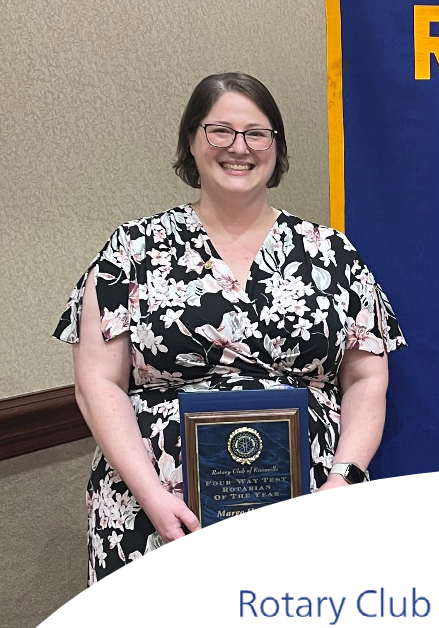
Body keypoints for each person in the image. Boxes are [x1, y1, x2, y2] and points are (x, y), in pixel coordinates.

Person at [54, 72, 405, 584]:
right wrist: (152, 496)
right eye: (219, 130)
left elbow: (367, 379)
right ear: (191, 142)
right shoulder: (131, 250)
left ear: (276, 148)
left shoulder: (331, 252)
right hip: (154, 510)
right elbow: (96, 383)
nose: (239, 147)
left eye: (257, 133)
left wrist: (342, 482)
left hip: (312, 508)